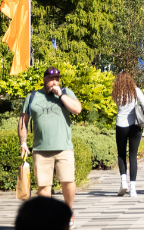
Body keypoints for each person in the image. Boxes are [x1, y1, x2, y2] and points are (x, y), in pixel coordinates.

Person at [18, 67, 82, 228]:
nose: (54, 82)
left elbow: (77, 110)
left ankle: (68, 212)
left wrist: (61, 95)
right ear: (44, 79)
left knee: (68, 181)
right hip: (41, 150)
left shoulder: (66, 93)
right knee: (44, 186)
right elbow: (23, 122)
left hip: (64, 148)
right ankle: (46, 219)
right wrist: (23, 143)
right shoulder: (33, 96)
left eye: (57, 79)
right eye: (51, 79)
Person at [112, 72, 144, 197]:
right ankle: (133, 188)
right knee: (133, 156)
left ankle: (123, 181)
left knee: (121, 154)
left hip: (121, 126)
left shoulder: (117, 92)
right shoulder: (136, 91)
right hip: (135, 126)